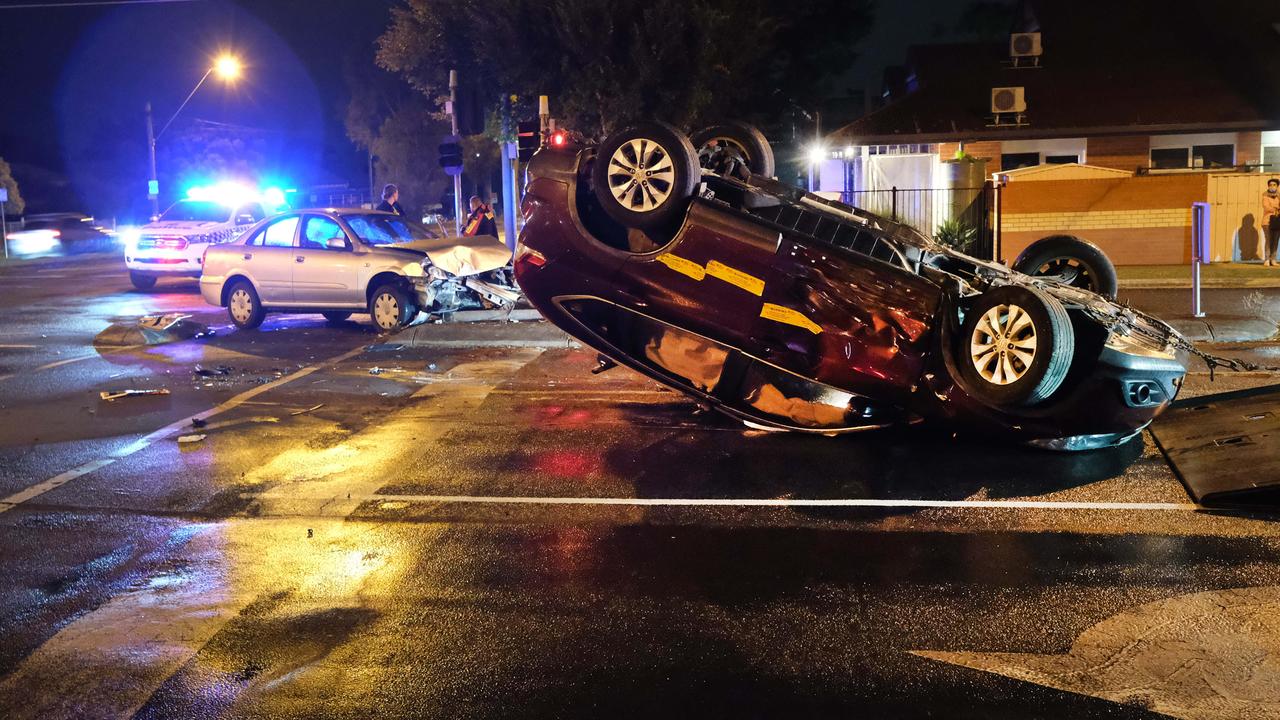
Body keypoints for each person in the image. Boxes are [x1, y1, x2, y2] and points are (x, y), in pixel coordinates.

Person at [1264, 179, 1280, 267]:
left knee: (1276, 241)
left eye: (1274, 185)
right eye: (1270, 185)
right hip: (1267, 221)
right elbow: (1266, 207)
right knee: (1269, 240)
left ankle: (1273, 259)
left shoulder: (1279, 196)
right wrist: (1277, 208)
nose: (1272, 186)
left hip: (1277, 221)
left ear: (1277, 186)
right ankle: (1267, 259)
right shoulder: (1265, 196)